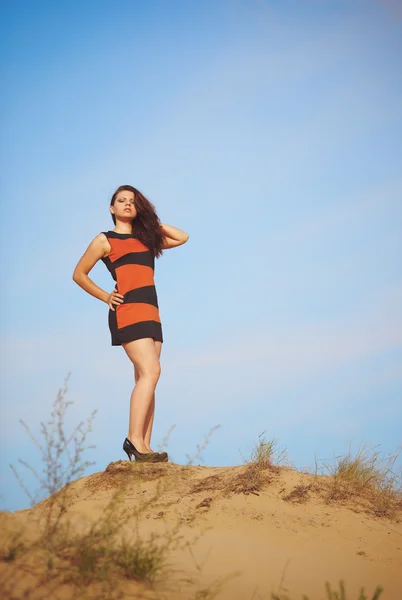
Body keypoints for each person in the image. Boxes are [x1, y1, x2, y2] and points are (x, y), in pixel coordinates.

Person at [72, 185, 189, 463]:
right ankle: (133, 440)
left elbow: (182, 237)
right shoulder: (105, 239)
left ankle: (145, 446)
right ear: (111, 208)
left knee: (146, 377)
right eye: (121, 201)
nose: (127, 204)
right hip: (128, 310)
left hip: (151, 311)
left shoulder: (146, 238)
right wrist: (105, 296)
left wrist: (149, 221)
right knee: (152, 371)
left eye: (132, 201)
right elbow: (79, 273)